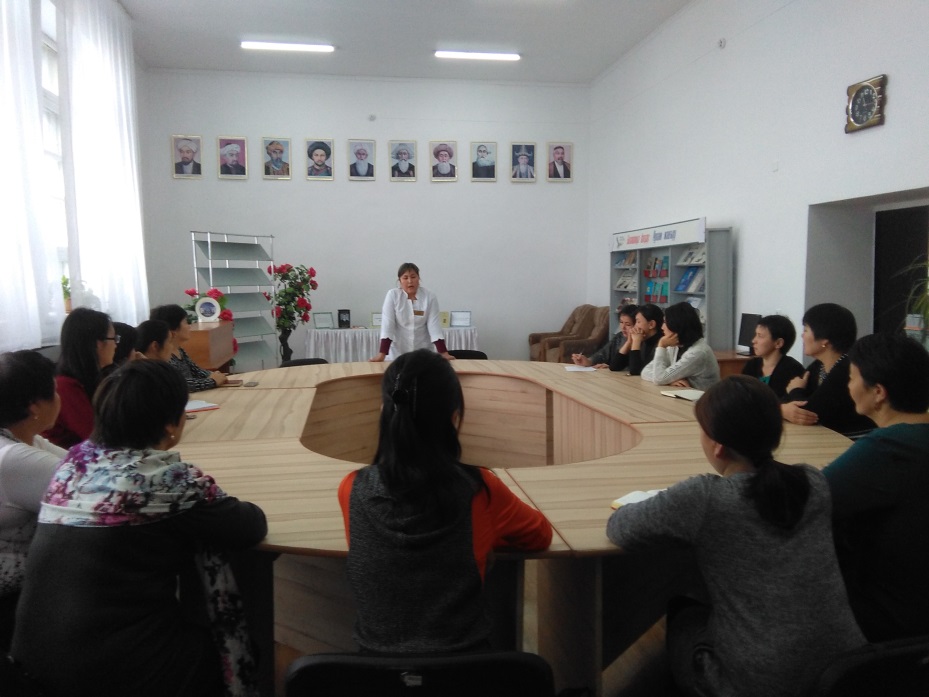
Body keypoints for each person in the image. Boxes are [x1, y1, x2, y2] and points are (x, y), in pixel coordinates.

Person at [12, 360, 268, 696]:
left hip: (30, 665)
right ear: (172, 425)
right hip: (110, 672)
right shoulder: (162, 482)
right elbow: (249, 525)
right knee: (241, 651)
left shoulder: (72, 467)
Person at [606, 376, 865, 697]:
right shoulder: (813, 482)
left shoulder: (705, 497)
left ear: (717, 445)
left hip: (759, 683)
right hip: (845, 671)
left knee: (684, 613)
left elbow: (620, 528)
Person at [339, 349, 552, 653]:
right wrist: (486, 534)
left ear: (384, 411)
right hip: (465, 668)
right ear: (453, 418)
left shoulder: (352, 489)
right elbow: (539, 535)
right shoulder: (480, 490)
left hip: (373, 670)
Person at [822, 333, 929, 642]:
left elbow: (811, 499)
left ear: (878, 392)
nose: (848, 386)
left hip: (888, 622)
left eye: (852, 378)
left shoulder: (890, 447)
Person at [0, 351, 65, 649]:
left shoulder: (23, 438)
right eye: (54, 390)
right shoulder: (14, 458)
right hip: (11, 606)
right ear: (34, 406)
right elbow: (93, 488)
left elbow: (84, 465)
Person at [781, 303, 875, 437]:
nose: (802, 335)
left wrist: (795, 390)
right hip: (827, 438)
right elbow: (784, 400)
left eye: (806, 330)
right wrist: (783, 409)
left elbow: (810, 414)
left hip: (852, 440)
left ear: (824, 340)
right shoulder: (818, 366)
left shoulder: (846, 368)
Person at [43, 307, 117, 448]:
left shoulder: (96, 377)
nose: (115, 345)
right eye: (114, 339)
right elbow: (100, 437)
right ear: (98, 344)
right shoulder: (65, 387)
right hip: (69, 458)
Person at [369, 263, 452, 362]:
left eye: (413, 277)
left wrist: (443, 353)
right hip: (397, 353)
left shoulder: (429, 296)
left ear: (418, 279)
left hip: (423, 352)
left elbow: (434, 327)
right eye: (405, 278)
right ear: (400, 281)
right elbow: (388, 325)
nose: (410, 281)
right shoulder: (393, 295)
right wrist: (382, 354)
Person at [641, 301, 719, 390]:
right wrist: (670, 381)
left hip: (702, 397)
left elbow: (659, 378)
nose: (662, 327)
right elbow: (645, 371)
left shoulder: (698, 352)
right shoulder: (675, 345)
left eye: (665, 322)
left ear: (676, 325)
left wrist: (661, 346)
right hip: (684, 394)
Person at [150, 304, 228, 390]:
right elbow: (181, 383)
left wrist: (213, 375)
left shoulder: (179, 350)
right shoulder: (164, 356)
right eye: (186, 322)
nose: (189, 326)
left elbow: (196, 371)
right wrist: (212, 381)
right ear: (173, 329)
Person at [740, 314, 805, 398]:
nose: (753, 340)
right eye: (755, 335)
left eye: (760, 336)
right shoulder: (751, 365)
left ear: (778, 343)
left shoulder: (793, 370)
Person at [572, 304, 637, 370]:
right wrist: (589, 361)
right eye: (621, 322)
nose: (623, 327)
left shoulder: (639, 342)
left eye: (628, 324)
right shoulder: (619, 337)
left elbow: (636, 368)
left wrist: (611, 367)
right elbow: (603, 353)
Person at [626, 303, 664, 376]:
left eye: (638, 322)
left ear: (651, 324)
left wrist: (636, 342)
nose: (635, 326)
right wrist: (628, 342)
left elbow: (635, 371)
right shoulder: (643, 339)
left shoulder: (661, 343)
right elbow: (615, 366)